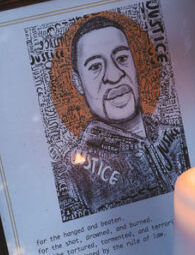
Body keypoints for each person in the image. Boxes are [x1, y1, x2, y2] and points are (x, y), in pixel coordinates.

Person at [62, 15, 188, 217]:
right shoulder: (75, 175)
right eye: (95, 66)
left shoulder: (180, 138)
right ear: (78, 82)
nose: (114, 76)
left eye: (121, 58)